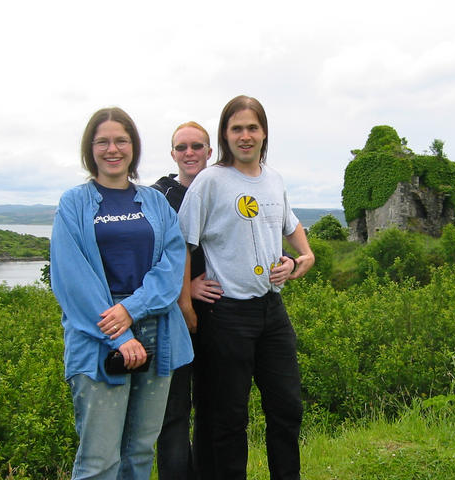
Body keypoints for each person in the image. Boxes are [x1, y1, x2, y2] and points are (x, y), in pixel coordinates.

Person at [50, 107, 194, 480]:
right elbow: (72, 278)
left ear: (133, 147)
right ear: (90, 148)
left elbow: (172, 262)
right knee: (99, 459)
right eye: (103, 141)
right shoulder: (74, 203)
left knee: (140, 452)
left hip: (157, 333)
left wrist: (132, 310)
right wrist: (120, 331)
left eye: (121, 141)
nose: (112, 149)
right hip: (99, 336)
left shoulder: (155, 202)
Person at [178, 96, 314, 480]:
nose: (245, 136)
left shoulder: (273, 178)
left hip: (272, 311)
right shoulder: (210, 181)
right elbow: (182, 243)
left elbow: (289, 225)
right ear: (225, 134)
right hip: (227, 314)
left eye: (252, 127)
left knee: (287, 408)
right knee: (229, 418)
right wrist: (186, 300)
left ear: (264, 132)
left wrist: (303, 257)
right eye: (236, 128)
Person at [153, 121, 295, 479]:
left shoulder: (226, 183)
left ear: (209, 150)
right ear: (172, 154)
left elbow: (272, 229)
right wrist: (185, 293)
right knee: (179, 412)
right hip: (183, 315)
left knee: (214, 408)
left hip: (223, 313)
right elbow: (164, 254)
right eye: (182, 148)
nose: (190, 154)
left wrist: (298, 258)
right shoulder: (161, 197)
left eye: (197, 147)